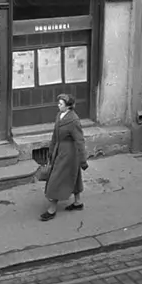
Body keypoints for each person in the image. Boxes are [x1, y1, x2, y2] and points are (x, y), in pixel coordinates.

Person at [40, 93, 88, 221]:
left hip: (69, 153)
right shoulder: (59, 115)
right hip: (59, 150)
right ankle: (77, 202)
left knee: (56, 179)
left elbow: (80, 140)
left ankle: (52, 209)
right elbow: (54, 135)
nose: (58, 105)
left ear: (68, 106)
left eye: (61, 104)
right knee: (74, 175)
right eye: (59, 103)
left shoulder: (74, 120)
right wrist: (51, 150)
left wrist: (83, 159)